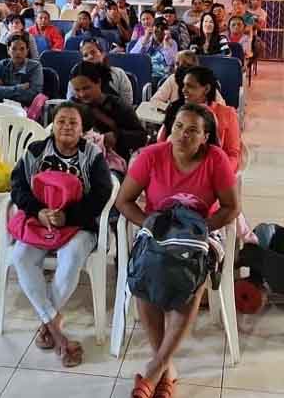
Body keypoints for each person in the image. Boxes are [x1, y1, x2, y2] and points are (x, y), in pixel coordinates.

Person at [115, 103, 240, 398]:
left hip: (202, 231)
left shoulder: (215, 159)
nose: (183, 135)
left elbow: (232, 207)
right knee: (146, 273)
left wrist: (200, 231)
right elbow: (124, 201)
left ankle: (155, 370)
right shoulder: (151, 156)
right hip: (158, 229)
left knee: (189, 277)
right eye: (178, 128)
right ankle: (165, 369)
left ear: (205, 136)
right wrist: (151, 226)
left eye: (192, 130)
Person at [9, 101, 113, 368]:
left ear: (83, 129)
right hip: (39, 221)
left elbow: (101, 196)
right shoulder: (36, 152)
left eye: (73, 123)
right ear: (52, 125)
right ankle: (56, 328)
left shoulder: (92, 156)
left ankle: (47, 324)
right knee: (21, 256)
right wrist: (38, 211)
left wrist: (69, 216)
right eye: (61, 121)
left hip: (78, 224)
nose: (66, 126)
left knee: (70, 261)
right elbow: (18, 186)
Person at [160, 66, 241, 173]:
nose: (183, 90)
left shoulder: (227, 114)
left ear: (206, 89)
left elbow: (232, 154)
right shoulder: (175, 109)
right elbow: (162, 145)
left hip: (213, 172)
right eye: (183, 85)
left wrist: (221, 174)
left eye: (190, 86)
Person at [70, 62, 146, 161]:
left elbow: (141, 137)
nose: (82, 94)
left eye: (86, 88)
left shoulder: (117, 106)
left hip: (113, 161)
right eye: (77, 90)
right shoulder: (74, 105)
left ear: (98, 82)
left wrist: (116, 137)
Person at [66, 39, 134, 105]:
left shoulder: (119, 74)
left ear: (103, 54)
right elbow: (71, 104)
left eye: (93, 52)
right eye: (85, 55)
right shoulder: (76, 77)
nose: (90, 57)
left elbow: (127, 103)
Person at [151, 50, 224, 108]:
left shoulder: (204, 80)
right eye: (177, 64)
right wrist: (171, 108)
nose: (180, 67)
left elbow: (222, 106)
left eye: (187, 64)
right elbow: (155, 100)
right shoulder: (172, 79)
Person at [0, 34, 43, 107]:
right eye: (14, 49)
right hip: (2, 107)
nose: (18, 52)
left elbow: (33, 95)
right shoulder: (2, 64)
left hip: (25, 108)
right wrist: (19, 88)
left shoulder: (35, 66)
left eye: (22, 49)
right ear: (8, 50)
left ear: (27, 51)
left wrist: (3, 91)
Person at [130, 16, 178, 85]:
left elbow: (170, 62)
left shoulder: (172, 43)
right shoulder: (144, 39)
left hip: (163, 76)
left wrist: (166, 45)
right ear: (152, 28)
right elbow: (132, 57)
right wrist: (145, 41)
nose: (159, 30)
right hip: (145, 73)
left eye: (163, 28)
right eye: (157, 27)